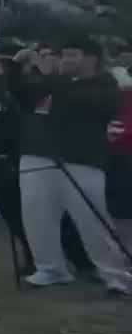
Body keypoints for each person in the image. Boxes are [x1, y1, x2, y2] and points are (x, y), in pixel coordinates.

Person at [12, 42, 130, 295]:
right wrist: (15, 67)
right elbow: (19, 95)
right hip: (37, 154)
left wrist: (52, 77)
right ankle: (50, 267)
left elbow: (90, 105)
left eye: (72, 55)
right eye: (63, 54)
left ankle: (116, 275)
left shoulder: (105, 83)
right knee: (37, 215)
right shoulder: (50, 81)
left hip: (82, 160)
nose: (65, 59)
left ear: (92, 59)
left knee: (92, 220)